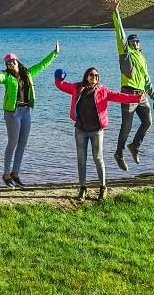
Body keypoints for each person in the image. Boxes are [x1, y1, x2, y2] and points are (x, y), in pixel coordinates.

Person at [0, 41, 59, 188]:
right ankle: (6, 175)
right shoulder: (6, 77)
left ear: (17, 61)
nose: (11, 63)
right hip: (12, 114)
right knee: (12, 143)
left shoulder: (28, 73)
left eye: (12, 61)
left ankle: (16, 174)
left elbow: (42, 65)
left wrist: (54, 53)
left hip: (26, 112)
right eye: (8, 63)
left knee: (22, 144)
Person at [54, 66, 144, 201]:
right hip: (80, 130)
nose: (94, 77)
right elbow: (61, 85)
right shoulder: (77, 88)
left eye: (96, 76)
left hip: (97, 131)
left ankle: (103, 188)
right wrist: (59, 77)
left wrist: (136, 98)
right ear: (86, 76)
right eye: (91, 75)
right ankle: (82, 188)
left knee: (98, 159)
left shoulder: (103, 91)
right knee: (81, 160)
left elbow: (119, 96)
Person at [108, 0, 154, 171]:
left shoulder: (143, 58)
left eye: (137, 41)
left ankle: (134, 146)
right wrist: (116, 13)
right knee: (127, 125)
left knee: (147, 122)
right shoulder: (126, 52)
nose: (135, 43)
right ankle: (119, 153)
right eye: (132, 41)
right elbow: (120, 33)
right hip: (128, 92)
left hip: (142, 95)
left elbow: (146, 79)